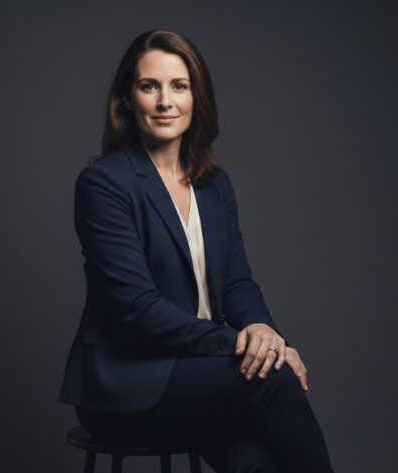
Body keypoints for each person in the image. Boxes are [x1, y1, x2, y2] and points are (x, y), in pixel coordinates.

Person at [57, 29, 336, 473]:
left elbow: (237, 282)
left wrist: (264, 332)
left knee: (256, 462)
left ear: (196, 97)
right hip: (127, 387)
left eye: (179, 86)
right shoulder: (105, 184)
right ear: (128, 100)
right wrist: (240, 344)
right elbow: (136, 308)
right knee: (272, 377)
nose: (165, 101)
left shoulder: (214, 184)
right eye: (149, 86)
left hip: (200, 378)